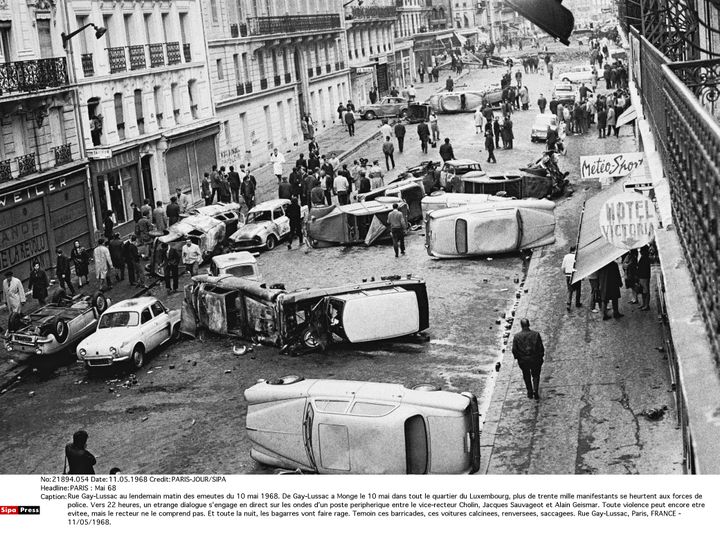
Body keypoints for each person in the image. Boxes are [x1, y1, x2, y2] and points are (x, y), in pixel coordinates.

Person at [512, 318, 545, 400]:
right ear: (529, 324)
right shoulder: (536, 334)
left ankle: (529, 392)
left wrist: (518, 358)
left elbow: (514, 350)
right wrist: (540, 357)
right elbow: (541, 348)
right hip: (535, 359)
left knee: (526, 375)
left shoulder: (517, 337)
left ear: (521, 326)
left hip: (524, 360)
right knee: (536, 375)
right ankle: (536, 390)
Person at [561, 246, 581, 310]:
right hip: (576, 274)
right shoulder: (577, 257)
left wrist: (565, 274)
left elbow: (563, 268)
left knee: (570, 290)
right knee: (578, 289)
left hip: (568, 275)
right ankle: (577, 303)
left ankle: (568, 304)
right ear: (575, 250)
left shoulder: (566, 256)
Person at [637, 245, 652, 310]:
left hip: (644, 276)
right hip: (642, 276)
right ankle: (644, 304)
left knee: (646, 291)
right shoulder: (643, 257)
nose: (640, 252)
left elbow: (644, 268)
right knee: (643, 291)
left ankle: (646, 305)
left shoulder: (645, 258)